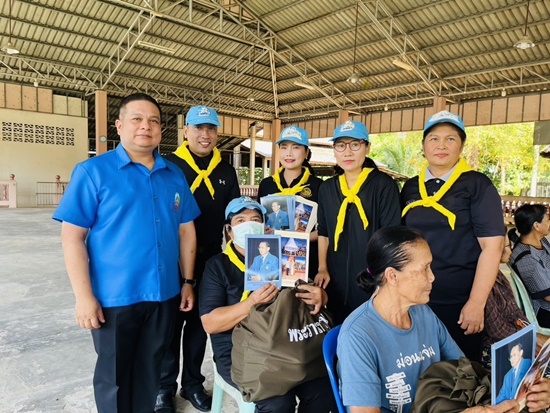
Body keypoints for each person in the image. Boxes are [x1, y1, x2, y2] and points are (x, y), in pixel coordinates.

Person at [52, 93, 200, 413]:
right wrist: (83, 297)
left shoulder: (174, 175)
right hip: (114, 298)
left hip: (164, 295)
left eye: (153, 121)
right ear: (119, 126)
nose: (146, 126)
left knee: (149, 373)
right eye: (137, 119)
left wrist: (187, 281)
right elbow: (72, 237)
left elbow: (186, 230)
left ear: (161, 130)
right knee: (115, 378)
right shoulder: (93, 171)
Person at [337, 225, 550, 413]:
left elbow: (465, 371)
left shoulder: (423, 314)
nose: (432, 277)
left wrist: (527, 392)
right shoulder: (357, 336)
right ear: (392, 276)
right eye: (424, 268)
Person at [199, 196, 337, 413]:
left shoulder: (283, 257)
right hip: (240, 351)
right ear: (229, 230)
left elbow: (304, 301)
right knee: (278, 403)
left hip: (288, 342)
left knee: (324, 392)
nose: (249, 224)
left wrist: (321, 296)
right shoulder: (217, 266)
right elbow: (210, 323)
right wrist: (251, 303)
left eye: (255, 219)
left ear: (265, 226)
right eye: (240, 220)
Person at [156, 105, 241, 412]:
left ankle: (192, 383)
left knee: (197, 326)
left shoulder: (226, 171)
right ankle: (163, 388)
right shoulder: (168, 166)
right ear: (186, 131)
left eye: (211, 129)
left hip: (209, 261)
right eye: (198, 128)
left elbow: (234, 219)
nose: (205, 134)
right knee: (168, 326)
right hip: (171, 259)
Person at [401, 110, 505, 361]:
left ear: (461, 145)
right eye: (434, 139)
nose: (441, 145)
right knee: (416, 368)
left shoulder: (477, 184)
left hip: (460, 301)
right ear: (424, 145)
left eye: (450, 139)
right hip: (415, 299)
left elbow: (492, 247)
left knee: (459, 372)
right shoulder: (411, 186)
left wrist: (476, 303)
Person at [316, 120, 401, 324]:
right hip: (334, 280)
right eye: (340, 145)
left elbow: (391, 238)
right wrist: (322, 268)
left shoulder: (383, 185)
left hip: (371, 281)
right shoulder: (327, 188)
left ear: (367, 148)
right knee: (336, 329)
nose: (347, 152)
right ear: (334, 150)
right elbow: (324, 233)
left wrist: (383, 282)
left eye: (355, 144)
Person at [257, 125, 323, 279]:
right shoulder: (267, 184)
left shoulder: (319, 186)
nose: (289, 153)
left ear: (306, 152)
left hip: (307, 260)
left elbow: (325, 230)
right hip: (272, 259)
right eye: (284, 147)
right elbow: (260, 221)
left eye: (296, 147)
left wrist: (296, 237)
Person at [508, 203, 550, 328]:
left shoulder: (541, 241)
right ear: (536, 225)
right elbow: (548, 297)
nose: (549, 223)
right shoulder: (527, 259)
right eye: (547, 220)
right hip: (545, 312)